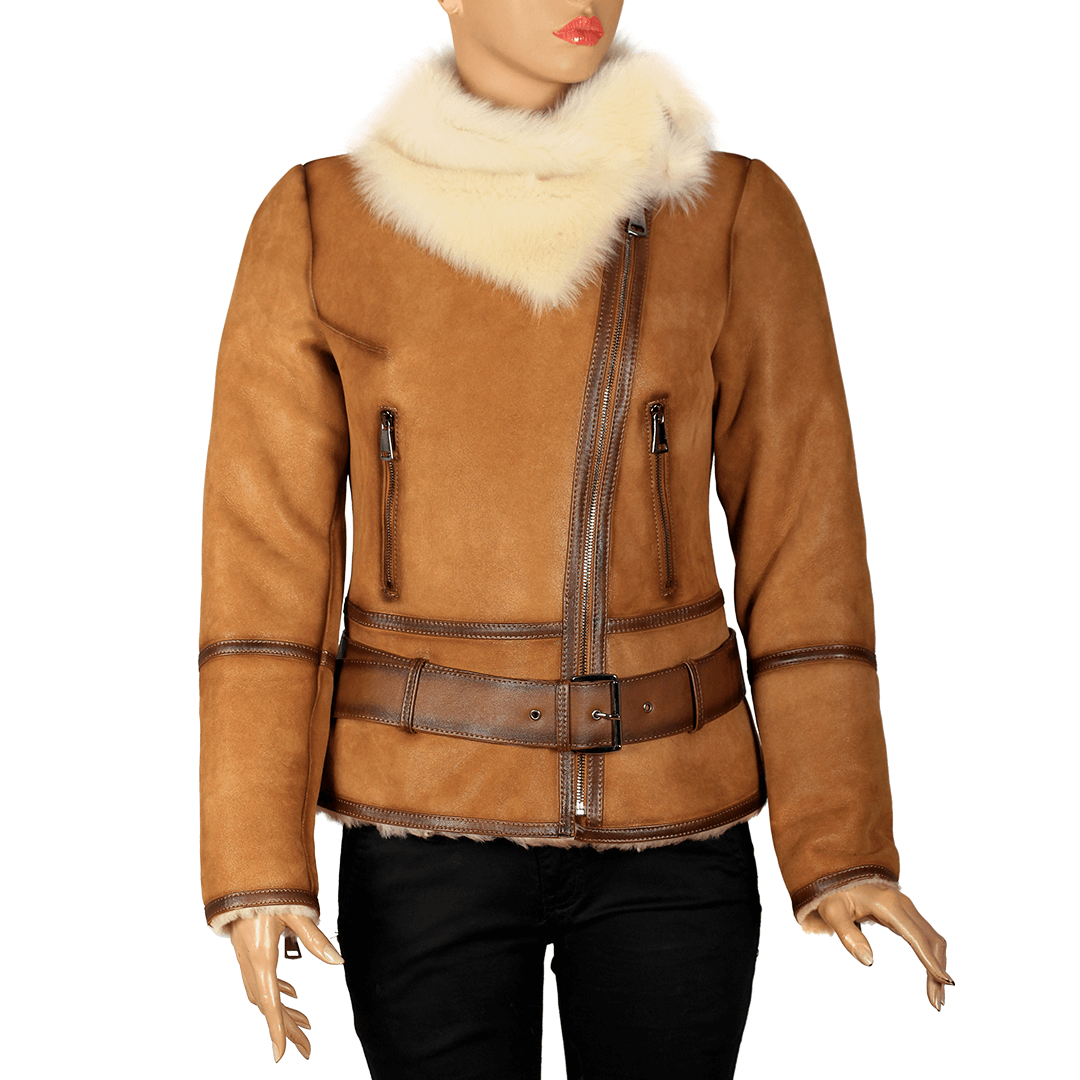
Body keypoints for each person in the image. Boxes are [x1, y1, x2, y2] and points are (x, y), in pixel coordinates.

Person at [199, 2, 951, 1075]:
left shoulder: (729, 214)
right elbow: (265, 565)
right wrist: (257, 867)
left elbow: (804, 538)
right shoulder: (324, 221)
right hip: (422, 826)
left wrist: (842, 844)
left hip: (674, 824)